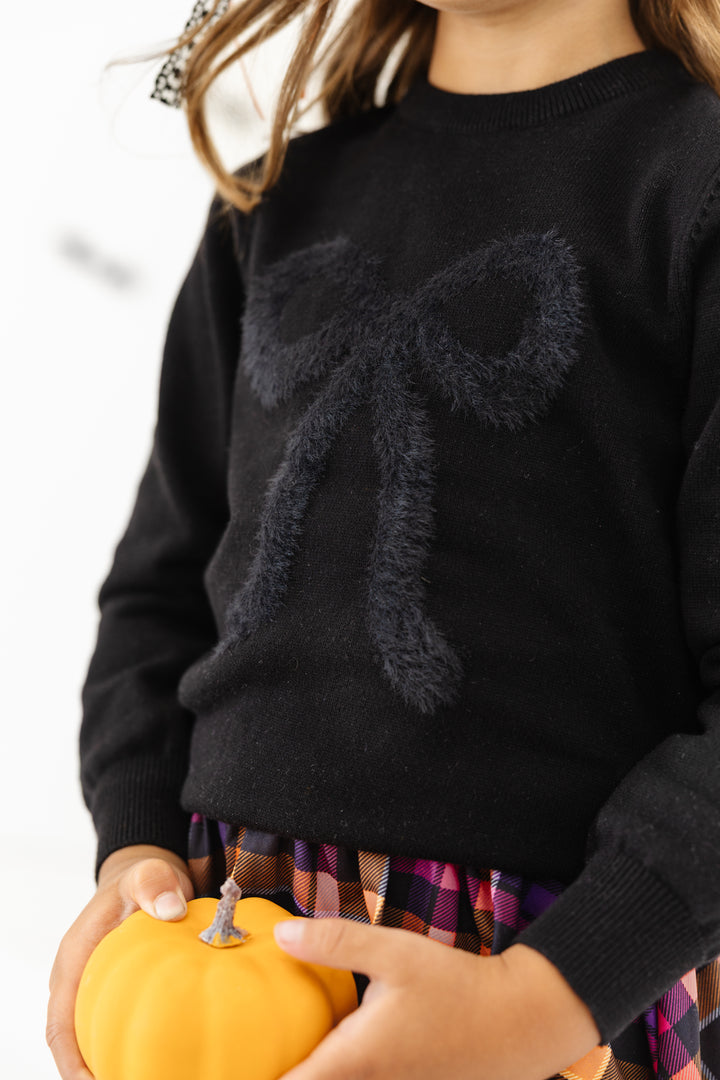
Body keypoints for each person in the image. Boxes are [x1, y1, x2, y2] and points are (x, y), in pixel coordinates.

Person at [47, 0, 720, 1076]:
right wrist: (136, 847)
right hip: (225, 940)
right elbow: (162, 589)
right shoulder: (275, 197)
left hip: (549, 980)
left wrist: (540, 1000)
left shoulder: (695, 186)